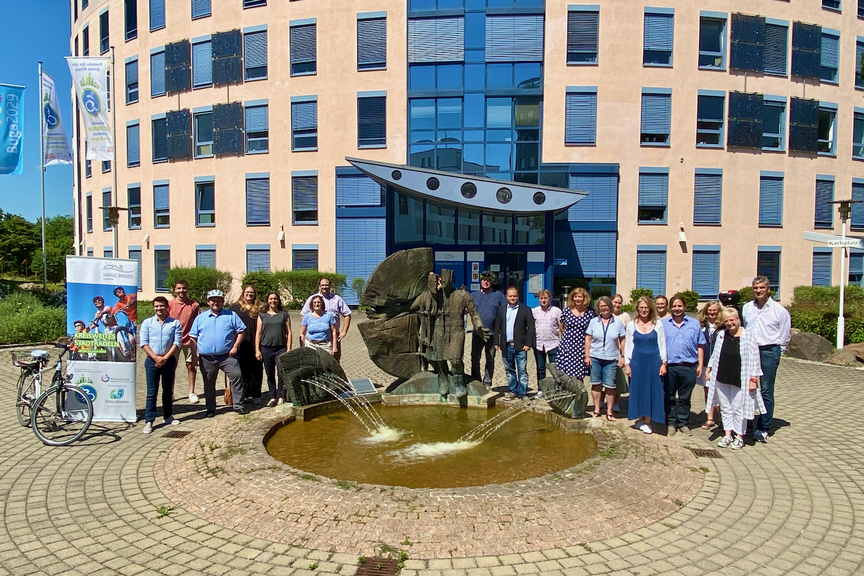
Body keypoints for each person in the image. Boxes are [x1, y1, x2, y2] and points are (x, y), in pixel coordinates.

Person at [706, 308, 766, 450]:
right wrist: (709, 369)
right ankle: (728, 434)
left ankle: (739, 436)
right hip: (722, 377)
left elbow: (756, 359)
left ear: (738, 320)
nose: (729, 323)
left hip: (741, 378)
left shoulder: (748, 336)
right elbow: (715, 354)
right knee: (725, 408)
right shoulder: (721, 335)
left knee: (739, 408)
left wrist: (753, 379)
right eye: (726, 321)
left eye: (732, 320)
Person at [742, 275, 791, 443]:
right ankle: (746, 424)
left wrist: (778, 352)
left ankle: (763, 427)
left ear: (768, 289)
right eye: (756, 288)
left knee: (765, 390)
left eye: (762, 288)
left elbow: (784, 335)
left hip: (769, 351)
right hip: (749, 351)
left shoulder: (779, 311)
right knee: (748, 388)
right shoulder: (747, 308)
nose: (758, 291)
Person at [189, 289, 247, 417]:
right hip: (206, 358)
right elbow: (193, 338)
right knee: (209, 383)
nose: (216, 303)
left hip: (227, 356)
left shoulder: (231, 315)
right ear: (208, 302)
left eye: (219, 301)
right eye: (213, 301)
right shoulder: (200, 318)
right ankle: (210, 408)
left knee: (237, 376)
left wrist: (235, 346)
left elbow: (241, 331)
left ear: (223, 302)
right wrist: (194, 356)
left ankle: (238, 406)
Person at [662, 295, 707, 436]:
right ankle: (670, 423)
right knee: (669, 396)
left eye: (679, 306)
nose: (677, 309)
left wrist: (700, 364)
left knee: (685, 397)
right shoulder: (663, 324)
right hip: (670, 366)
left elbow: (700, 345)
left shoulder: (694, 324)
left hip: (689, 366)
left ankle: (683, 423)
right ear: (670, 307)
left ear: (684, 307)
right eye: (674, 306)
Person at [139, 296, 182, 433]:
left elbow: (177, 343)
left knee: (168, 390)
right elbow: (144, 343)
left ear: (166, 307)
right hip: (151, 361)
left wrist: (165, 358)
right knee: (152, 392)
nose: (159, 308)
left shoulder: (174, 323)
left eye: (162, 306)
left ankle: (168, 416)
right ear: (154, 307)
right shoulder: (147, 323)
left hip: (168, 361)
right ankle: (149, 420)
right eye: (156, 306)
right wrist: (155, 358)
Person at [624, 296, 667, 434]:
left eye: (646, 307)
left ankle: (648, 421)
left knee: (652, 390)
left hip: (654, 363)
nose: (643, 310)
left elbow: (662, 345)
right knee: (638, 390)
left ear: (650, 308)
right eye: (641, 307)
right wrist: (627, 364)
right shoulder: (632, 324)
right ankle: (640, 419)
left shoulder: (657, 324)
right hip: (637, 362)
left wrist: (663, 363)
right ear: (637, 309)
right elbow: (628, 346)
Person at [585, 296, 626, 420]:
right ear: (598, 308)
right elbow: (588, 339)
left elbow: (622, 340)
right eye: (601, 306)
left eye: (606, 305)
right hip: (595, 357)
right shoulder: (593, 322)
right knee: (596, 384)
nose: (604, 308)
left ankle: (609, 411)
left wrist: (622, 356)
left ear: (610, 306)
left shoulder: (618, 323)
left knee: (610, 385)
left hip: (611, 358)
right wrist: (587, 355)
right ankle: (597, 408)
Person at [494, 286, 535, 400]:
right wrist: (496, 342)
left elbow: (531, 328)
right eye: (510, 296)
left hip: (520, 346)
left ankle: (522, 393)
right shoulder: (502, 310)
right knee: (509, 370)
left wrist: (528, 344)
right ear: (506, 297)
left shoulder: (526, 310)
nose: (512, 298)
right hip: (506, 345)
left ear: (518, 296)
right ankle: (513, 390)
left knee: (522, 370)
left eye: (514, 296)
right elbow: (497, 327)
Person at [470, 271, 507, 388]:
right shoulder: (473, 296)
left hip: (492, 334)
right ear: (481, 281)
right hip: (477, 333)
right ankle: (476, 380)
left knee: (490, 359)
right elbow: (466, 310)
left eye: (488, 280)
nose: (486, 282)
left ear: (492, 281)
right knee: (475, 358)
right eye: (484, 280)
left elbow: (504, 313)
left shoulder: (499, 296)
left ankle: (487, 382)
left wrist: (501, 331)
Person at [300, 278, 351, 361]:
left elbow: (347, 315)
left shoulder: (337, 299)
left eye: (326, 285)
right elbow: (303, 315)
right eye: (322, 285)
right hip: (314, 336)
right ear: (319, 286)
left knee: (334, 359)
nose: (324, 287)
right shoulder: (312, 298)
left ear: (330, 286)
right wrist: (307, 330)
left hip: (333, 334)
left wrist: (344, 331)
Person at [256, 292, 292, 407]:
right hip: (266, 348)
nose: (273, 301)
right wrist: (257, 349)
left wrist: (289, 348)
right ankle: (272, 396)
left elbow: (289, 332)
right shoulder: (262, 315)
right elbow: (258, 333)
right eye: (271, 299)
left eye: (275, 299)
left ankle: (281, 395)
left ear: (278, 300)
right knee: (269, 373)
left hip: (281, 348)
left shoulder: (284, 315)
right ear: (267, 301)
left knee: (281, 373)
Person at [168, 279, 201, 404]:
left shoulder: (194, 305)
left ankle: (191, 392)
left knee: (191, 366)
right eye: (179, 288)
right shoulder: (170, 304)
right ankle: (170, 393)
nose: (181, 290)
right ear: (175, 290)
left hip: (190, 340)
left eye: (184, 288)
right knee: (171, 367)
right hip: (173, 341)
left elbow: (198, 323)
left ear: (187, 289)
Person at [230, 285, 264, 405]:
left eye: (252, 292)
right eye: (247, 292)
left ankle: (256, 394)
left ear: (255, 294)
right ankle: (242, 394)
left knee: (256, 370)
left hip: (256, 343)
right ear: (243, 293)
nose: (249, 294)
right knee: (241, 370)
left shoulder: (260, 307)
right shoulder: (235, 307)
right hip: (241, 344)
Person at [557, 288, 595, 392]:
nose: (577, 299)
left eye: (580, 296)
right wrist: (567, 339)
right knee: (566, 374)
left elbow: (591, 331)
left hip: (581, 347)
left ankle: (579, 396)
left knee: (579, 375)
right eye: (575, 296)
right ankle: (566, 396)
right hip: (568, 347)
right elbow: (561, 327)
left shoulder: (590, 314)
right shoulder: (567, 311)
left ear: (584, 298)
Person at [697, 300, 724, 430]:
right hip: (705, 363)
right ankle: (710, 419)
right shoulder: (701, 326)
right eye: (710, 310)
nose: (712, 312)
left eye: (715, 310)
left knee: (720, 392)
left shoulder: (723, 326)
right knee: (708, 391)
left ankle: (722, 419)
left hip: (720, 365)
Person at [532, 289, 562, 383]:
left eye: (545, 298)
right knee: (540, 368)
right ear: (539, 299)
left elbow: (561, 327)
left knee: (555, 369)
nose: (543, 300)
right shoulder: (534, 311)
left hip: (553, 344)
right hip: (539, 344)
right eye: (541, 298)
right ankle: (541, 389)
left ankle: (558, 388)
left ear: (550, 298)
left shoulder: (557, 311)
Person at [610, 294, 632, 412]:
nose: (617, 305)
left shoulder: (625, 316)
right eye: (615, 302)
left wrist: (624, 353)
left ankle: (616, 403)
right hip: (608, 350)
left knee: (618, 378)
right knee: (607, 379)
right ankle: (605, 402)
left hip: (620, 351)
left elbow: (628, 335)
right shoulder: (605, 314)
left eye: (619, 303)